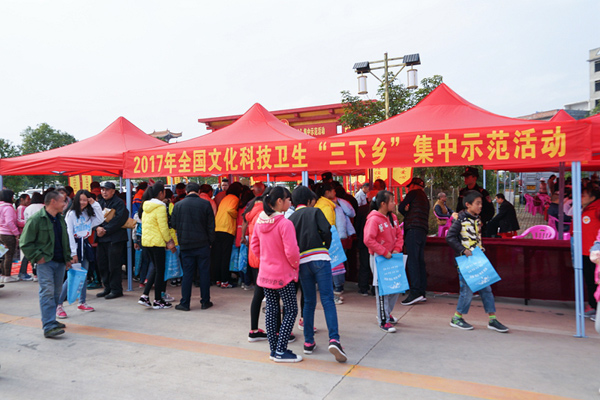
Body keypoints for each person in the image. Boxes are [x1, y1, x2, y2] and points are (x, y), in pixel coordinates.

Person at [288, 186, 347, 362]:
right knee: (328, 299)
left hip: (302, 261)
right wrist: (324, 246)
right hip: (320, 258)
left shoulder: (290, 219)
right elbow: (327, 231)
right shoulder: (315, 212)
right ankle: (334, 339)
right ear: (309, 200)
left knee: (308, 301)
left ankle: (308, 342)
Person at [250, 186, 302, 363]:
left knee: (272, 310)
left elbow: (255, 246)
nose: (290, 202)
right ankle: (281, 349)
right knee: (291, 309)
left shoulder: (260, 221)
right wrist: (295, 266)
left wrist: (267, 259)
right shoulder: (285, 224)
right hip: (283, 275)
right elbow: (292, 252)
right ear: (279, 201)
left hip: (266, 273)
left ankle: (274, 350)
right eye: (288, 199)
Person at [446, 190, 509, 333]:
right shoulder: (460, 220)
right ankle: (456, 318)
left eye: (481, 203)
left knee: (487, 289)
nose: (480, 206)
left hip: (478, 259)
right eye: (478, 203)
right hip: (465, 261)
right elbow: (450, 237)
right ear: (468, 205)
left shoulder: (476, 219)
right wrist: (463, 250)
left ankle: (492, 319)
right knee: (467, 291)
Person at [20, 190, 72, 338]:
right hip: (46, 262)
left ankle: (51, 320)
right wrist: (38, 257)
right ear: (53, 202)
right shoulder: (36, 219)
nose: (65, 204)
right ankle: (48, 326)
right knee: (47, 292)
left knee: (56, 293)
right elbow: (25, 242)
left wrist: (67, 258)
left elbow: (64, 239)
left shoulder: (60, 219)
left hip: (60, 261)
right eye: (62, 201)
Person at [55, 190, 104, 318]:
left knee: (83, 275)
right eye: (81, 199)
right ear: (76, 200)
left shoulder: (87, 213)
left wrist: (94, 204)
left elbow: (100, 219)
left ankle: (82, 302)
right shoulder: (71, 214)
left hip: (85, 245)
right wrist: (73, 252)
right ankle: (58, 304)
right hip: (75, 246)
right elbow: (69, 233)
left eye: (85, 200)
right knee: (73, 276)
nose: (83, 202)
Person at [171, 182, 215, 311]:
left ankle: (185, 303)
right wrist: (210, 242)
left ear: (186, 191)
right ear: (199, 191)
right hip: (203, 244)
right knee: (204, 273)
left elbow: (173, 224)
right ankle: (205, 301)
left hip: (186, 245)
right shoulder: (205, 204)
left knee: (187, 274)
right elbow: (211, 226)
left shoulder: (178, 205)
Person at [364, 190, 404, 333]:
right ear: (383, 204)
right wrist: (384, 252)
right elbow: (368, 240)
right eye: (392, 201)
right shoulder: (374, 219)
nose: (394, 203)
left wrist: (397, 249)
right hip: (379, 258)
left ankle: (386, 313)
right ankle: (383, 320)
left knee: (395, 286)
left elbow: (399, 235)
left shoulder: (393, 217)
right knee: (383, 289)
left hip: (392, 257)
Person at [137, 182, 176, 309]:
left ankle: (145, 296)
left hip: (147, 242)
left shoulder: (146, 206)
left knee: (155, 268)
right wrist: (169, 241)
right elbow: (163, 227)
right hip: (157, 242)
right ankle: (158, 300)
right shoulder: (160, 207)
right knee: (160, 271)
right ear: (160, 193)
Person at [397, 177, 430, 305]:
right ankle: (421, 292)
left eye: (409, 186)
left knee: (413, 261)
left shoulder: (413, 193)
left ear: (414, 186)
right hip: (422, 231)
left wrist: (406, 211)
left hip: (413, 229)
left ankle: (415, 292)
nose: (409, 189)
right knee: (420, 261)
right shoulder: (425, 198)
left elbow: (401, 207)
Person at [95, 181, 129, 299]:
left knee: (114, 265)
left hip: (115, 238)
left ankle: (116, 289)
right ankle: (107, 287)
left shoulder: (119, 203)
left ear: (113, 191)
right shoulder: (99, 202)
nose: (104, 192)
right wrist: (97, 228)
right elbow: (93, 217)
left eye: (107, 190)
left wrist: (105, 229)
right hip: (102, 239)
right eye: (102, 189)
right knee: (102, 264)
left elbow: (120, 219)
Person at [575, 183, 600, 317]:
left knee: (596, 282)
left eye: (583, 195)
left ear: (592, 197)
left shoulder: (597, 209)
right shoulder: (585, 209)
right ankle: (593, 305)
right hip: (584, 252)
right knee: (590, 281)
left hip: (595, 254)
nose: (580, 198)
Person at [213, 182, 242, 288]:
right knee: (225, 256)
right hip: (227, 229)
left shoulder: (225, 198)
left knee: (218, 256)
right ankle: (225, 281)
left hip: (218, 228)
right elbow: (230, 210)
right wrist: (237, 215)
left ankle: (218, 279)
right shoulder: (235, 199)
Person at [456, 167, 494, 234]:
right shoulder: (462, 192)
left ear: (474, 178)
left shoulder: (482, 193)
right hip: (464, 226)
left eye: (467, 177)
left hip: (478, 227)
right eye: (465, 177)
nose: (465, 179)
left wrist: (482, 221)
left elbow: (490, 211)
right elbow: (458, 209)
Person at [0, 190, 20, 283]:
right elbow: (9, 222)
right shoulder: (8, 208)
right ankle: (7, 276)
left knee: (3, 254)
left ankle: (3, 275)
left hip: (1, 233)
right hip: (8, 234)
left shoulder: (1, 206)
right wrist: (16, 233)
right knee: (9, 255)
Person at [16, 193, 33, 281]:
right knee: (28, 253)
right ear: (22, 199)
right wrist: (30, 222)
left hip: (26, 232)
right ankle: (22, 272)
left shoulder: (25, 208)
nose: (29, 201)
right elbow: (19, 221)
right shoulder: (21, 208)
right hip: (25, 233)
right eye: (28, 199)